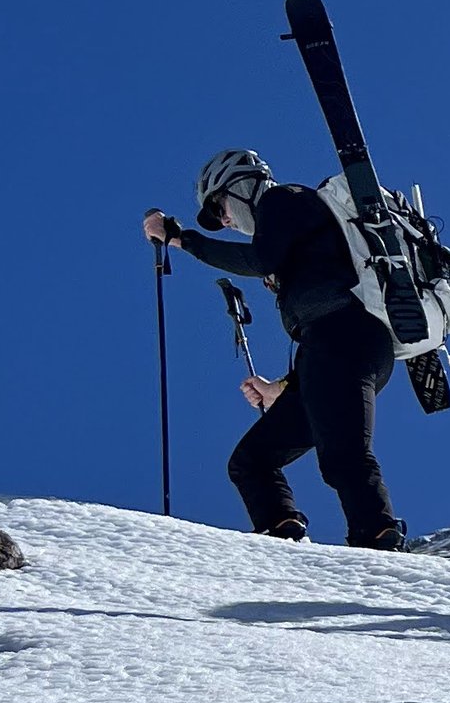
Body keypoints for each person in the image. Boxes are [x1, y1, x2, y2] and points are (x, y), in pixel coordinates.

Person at [142, 150, 407, 549]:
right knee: (251, 462)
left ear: (240, 186)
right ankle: (279, 541)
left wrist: (181, 238)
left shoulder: (283, 200)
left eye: (220, 206)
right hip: (337, 348)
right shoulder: (291, 226)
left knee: (343, 453)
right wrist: (281, 388)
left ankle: (377, 539)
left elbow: (258, 259)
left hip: (343, 337)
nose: (225, 220)